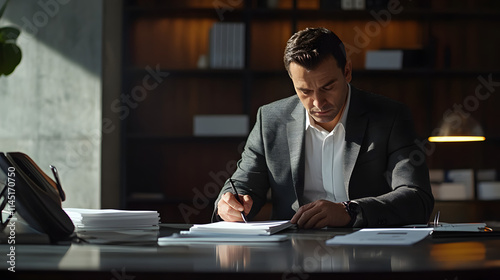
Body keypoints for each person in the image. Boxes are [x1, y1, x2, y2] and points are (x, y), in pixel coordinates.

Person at [213, 27, 434, 228]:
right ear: (292, 82)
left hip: (368, 255)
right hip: (291, 256)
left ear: (347, 71)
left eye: (327, 87)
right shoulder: (270, 120)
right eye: (305, 91)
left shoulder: (390, 117)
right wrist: (230, 203)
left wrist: (350, 211)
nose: (318, 103)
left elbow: (417, 198)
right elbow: (242, 184)